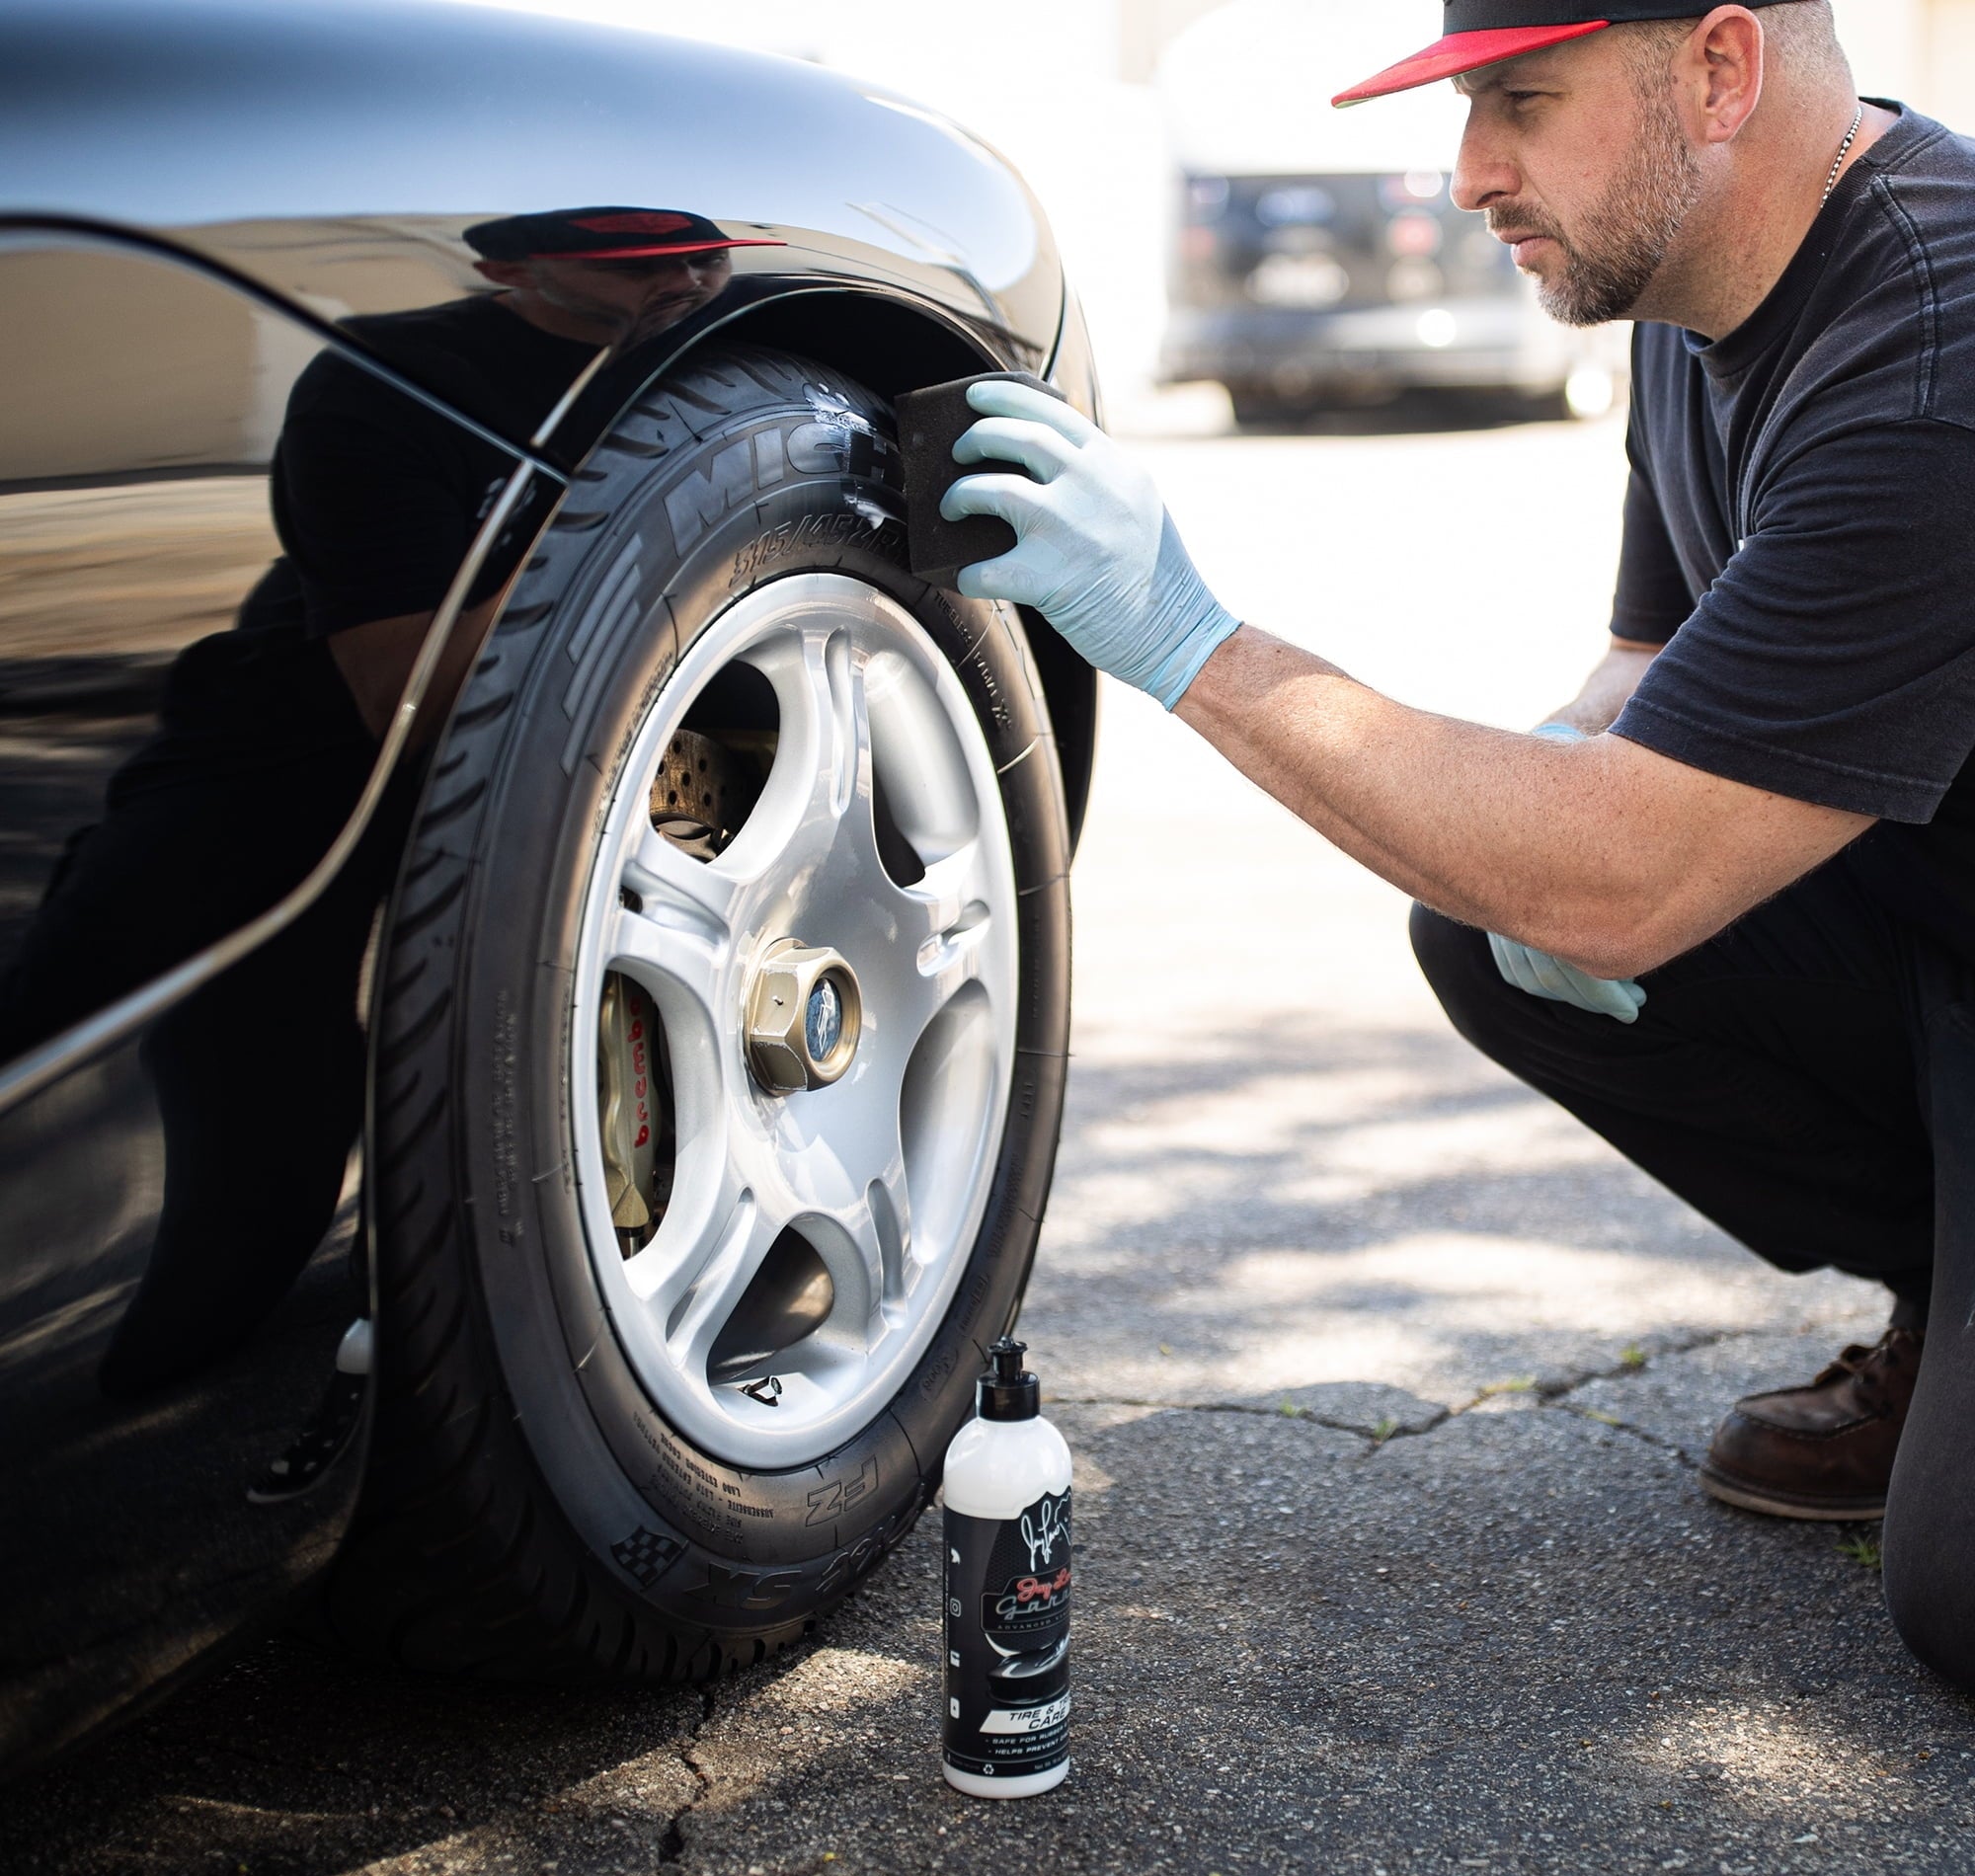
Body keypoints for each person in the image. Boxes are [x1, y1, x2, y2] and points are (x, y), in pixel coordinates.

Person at [939, 2, 1975, 1690]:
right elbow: (1643, 683)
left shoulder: (1937, 362)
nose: (1469, 171)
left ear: (1717, 70)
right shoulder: (1696, 285)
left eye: (1521, 103)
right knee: (1485, 916)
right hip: (1934, 936)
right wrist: (1520, 818)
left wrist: (1189, 639)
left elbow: (1624, 874)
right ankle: (1948, 1302)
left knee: (1962, 1599)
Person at [0, 207, 759, 1396]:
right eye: (634, 263)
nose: (686, 279)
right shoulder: (392, 379)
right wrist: (631, 500)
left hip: (552, 767)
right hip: (270, 767)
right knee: (136, 1122)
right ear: (510, 268)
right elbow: (406, 690)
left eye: (703, 254)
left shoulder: (714, 358)